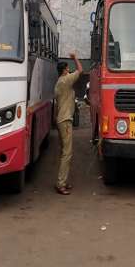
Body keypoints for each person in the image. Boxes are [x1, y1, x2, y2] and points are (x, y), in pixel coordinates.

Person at [54, 52, 83, 195]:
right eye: (67, 68)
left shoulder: (59, 82)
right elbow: (80, 70)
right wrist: (75, 58)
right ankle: (61, 184)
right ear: (64, 70)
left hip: (61, 120)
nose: (69, 70)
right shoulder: (65, 80)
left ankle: (62, 181)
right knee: (67, 153)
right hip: (65, 121)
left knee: (63, 152)